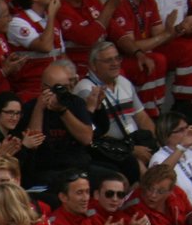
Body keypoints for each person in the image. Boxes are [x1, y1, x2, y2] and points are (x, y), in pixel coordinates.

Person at [77, 38, 157, 181]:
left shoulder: (124, 82)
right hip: (111, 152)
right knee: (145, 176)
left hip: (135, 142)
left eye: (117, 58)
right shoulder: (86, 90)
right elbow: (95, 135)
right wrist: (131, 150)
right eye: (108, 60)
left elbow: (142, 117)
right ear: (94, 65)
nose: (115, 64)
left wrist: (153, 144)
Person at [22, 59, 95, 189]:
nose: (63, 93)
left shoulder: (75, 103)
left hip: (76, 166)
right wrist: (40, 107)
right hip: (46, 169)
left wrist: (62, 111)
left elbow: (87, 138)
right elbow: (34, 142)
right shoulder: (30, 108)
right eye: (59, 88)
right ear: (44, 88)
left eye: (66, 88)